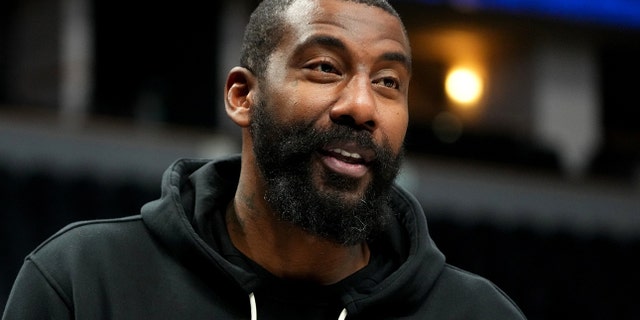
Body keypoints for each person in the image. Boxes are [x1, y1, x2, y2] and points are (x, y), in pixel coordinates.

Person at [3, 0, 527, 319]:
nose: (363, 106)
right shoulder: (85, 280)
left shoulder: (479, 314)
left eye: (389, 82)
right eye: (325, 68)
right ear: (241, 96)